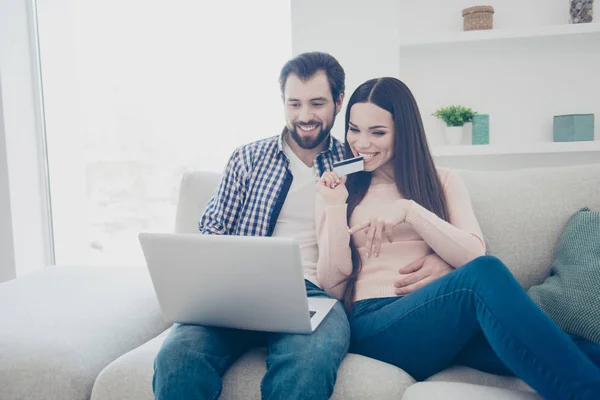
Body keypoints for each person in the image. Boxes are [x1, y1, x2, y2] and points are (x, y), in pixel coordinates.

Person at [315, 77, 600, 400]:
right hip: (377, 323)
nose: (362, 143)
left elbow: (471, 253)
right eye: (354, 129)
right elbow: (332, 285)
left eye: (377, 132)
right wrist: (334, 207)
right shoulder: (339, 191)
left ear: (404, 132)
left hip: (442, 324)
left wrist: (409, 210)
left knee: (576, 349)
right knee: (485, 274)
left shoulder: (443, 181)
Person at [152, 52, 351, 400]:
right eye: (294, 104)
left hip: (313, 294)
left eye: (317, 103)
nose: (305, 116)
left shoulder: (351, 164)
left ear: (338, 100)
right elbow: (211, 231)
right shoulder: (248, 158)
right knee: (179, 357)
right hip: (236, 292)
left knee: (310, 361)